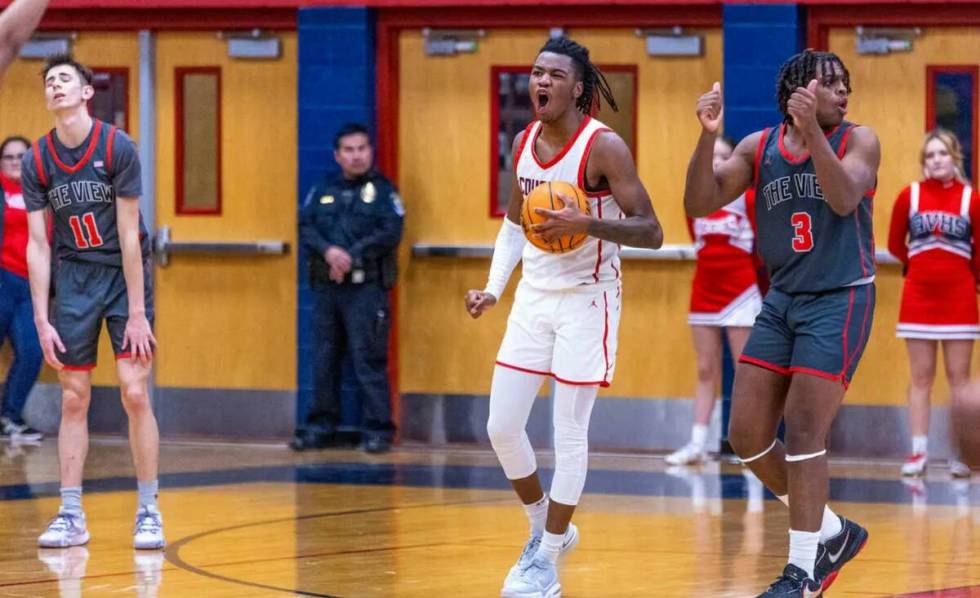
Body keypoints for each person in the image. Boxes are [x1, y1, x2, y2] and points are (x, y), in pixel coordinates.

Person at [465, 36, 663, 597]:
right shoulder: (524, 141)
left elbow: (651, 230)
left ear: (578, 88)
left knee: (567, 431)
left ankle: (545, 561)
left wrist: (588, 221)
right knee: (501, 426)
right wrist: (493, 290)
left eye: (554, 74)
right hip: (533, 296)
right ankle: (544, 529)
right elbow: (511, 224)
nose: (541, 82)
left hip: (588, 297)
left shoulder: (605, 148)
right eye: (535, 73)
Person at [684, 49, 880, 596]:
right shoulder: (758, 147)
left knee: (803, 428)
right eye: (832, 84)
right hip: (783, 298)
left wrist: (813, 133)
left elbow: (843, 199)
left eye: (846, 85)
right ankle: (834, 531)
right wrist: (706, 136)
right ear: (799, 91)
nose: (844, 93)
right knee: (744, 433)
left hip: (841, 297)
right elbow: (699, 201)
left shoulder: (859, 140)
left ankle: (801, 571)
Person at [23, 53, 163, 550]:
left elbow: (131, 237)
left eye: (64, 79)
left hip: (122, 278)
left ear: (86, 92)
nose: (55, 86)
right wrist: (42, 318)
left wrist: (140, 311)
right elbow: (38, 244)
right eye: (49, 82)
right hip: (75, 280)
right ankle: (70, 513)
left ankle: (149, 509)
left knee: (135, 391)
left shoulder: (117, 146)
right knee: (73, 397)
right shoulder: (37, 159)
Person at [292, 123, 404, 454]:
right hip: (327, 290)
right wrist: (329, 252)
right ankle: (320, 427)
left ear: (370, 151)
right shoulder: (322, 189)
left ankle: (378, 431)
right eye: (349, 150)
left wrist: (350, 257)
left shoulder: (385, 192)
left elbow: (390, 232)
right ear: (337, 155)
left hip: (366, 290)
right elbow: (306, 226)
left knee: (368, 359)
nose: (356, 156)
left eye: (362, 149)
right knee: (323, 360)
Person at [888, 129, 980, 479]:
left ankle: (963, 455)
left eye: (942, 153)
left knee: (960, 379)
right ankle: (918, 452)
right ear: (923, 162)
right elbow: (897, 244)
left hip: (959, 299)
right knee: (920, 377)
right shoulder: (908, 197)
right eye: (930, 155)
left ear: (955, 156)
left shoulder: (971, 199)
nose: (936, 160)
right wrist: (920, 270)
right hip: (918, 299)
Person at [667, 136, 761, 466]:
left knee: (744, 371)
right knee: (706, 369)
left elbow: (759, 247)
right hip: (704, 290)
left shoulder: (748, 199)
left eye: (725, 156)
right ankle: (697, 444)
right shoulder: (696, 201)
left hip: (741, 291)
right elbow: (698, 241)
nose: (718, 162)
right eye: (713, 156)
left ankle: (752, 448)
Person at [0, 136, 44, 442]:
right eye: (9, 157)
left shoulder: (41, 193)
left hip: (31, 285)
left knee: (32, 351)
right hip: (2, 279)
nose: (15, 162)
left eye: (21, 157)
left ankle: (10, 417)